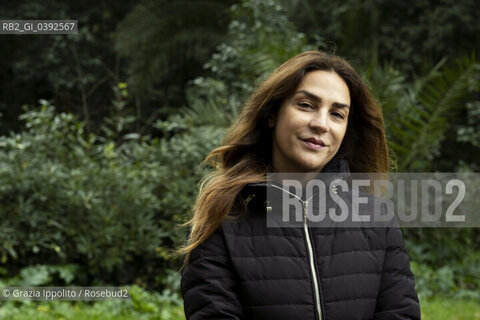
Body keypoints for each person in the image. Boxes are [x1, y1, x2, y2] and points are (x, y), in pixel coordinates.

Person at [178, 51, 421, 320]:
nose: (321, 124)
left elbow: (401, 314)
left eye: (337, 114)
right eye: (306, 105)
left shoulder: (377, 218)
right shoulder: (222, 217)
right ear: (272, 114)